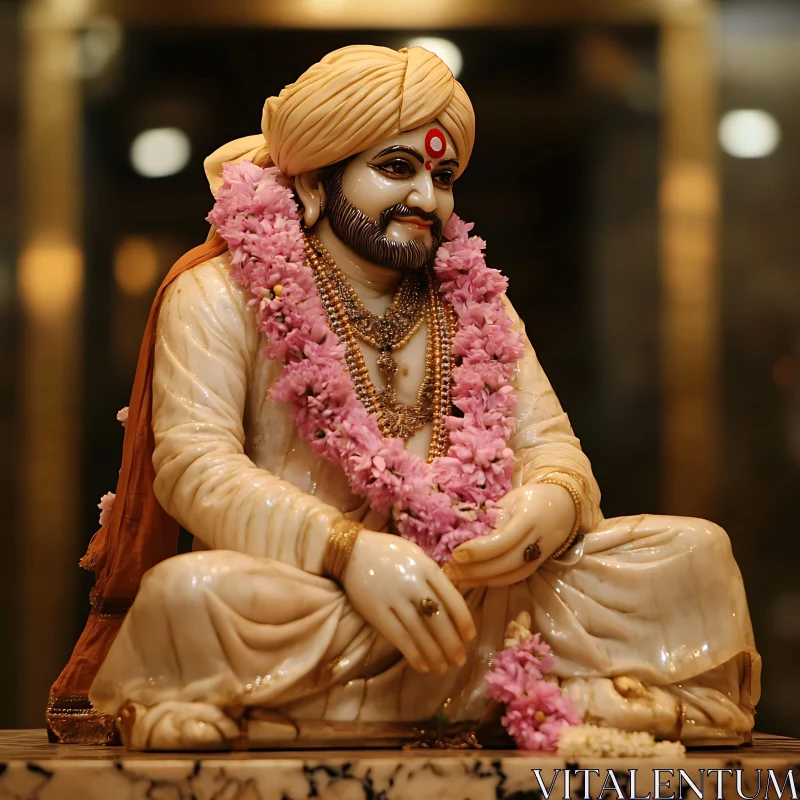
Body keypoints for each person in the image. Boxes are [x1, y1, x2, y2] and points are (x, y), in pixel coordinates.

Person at [48, 45, 759, 751]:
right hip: (311, 597)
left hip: (482, 597)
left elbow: (552, 448)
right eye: (398, 168)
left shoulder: (478, 304)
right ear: (316, 181)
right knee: (192, 596)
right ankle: (579, 696)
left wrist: (546, 508)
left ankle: (428, 698)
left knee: (692, 554)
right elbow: (194, 469)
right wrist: (351, 554)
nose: (428, 199)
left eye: (443, 175)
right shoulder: (221, 293)